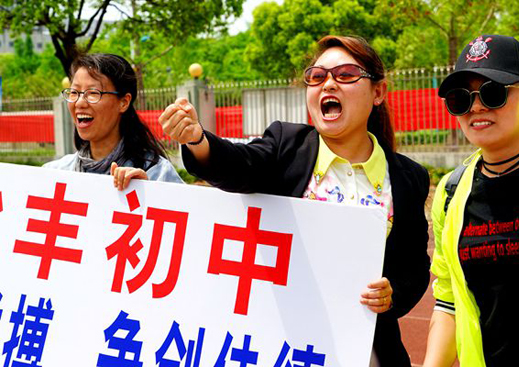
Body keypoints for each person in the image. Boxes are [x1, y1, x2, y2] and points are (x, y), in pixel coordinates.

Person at [159, 35, 430, 366]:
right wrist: (197, 139)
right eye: (317, 76)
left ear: (378, 92)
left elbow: (414, 268)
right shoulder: (287, 146)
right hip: (283, 350)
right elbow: (238, 164)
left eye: (345, 75)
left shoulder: (408, 177)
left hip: (367, 352)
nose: (328, 84)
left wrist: (391, 296)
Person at [424, 35, 519, 367]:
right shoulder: (452, 193)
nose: (476, 107)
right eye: (460, 99)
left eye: (494, 93)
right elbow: (448, 300)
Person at [44, 53, 183, 189]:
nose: (80, 103)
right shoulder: (54, 174)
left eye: (93, 93)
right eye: (74, 92)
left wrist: (147, 194)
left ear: (123, 102)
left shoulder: (157, 174)